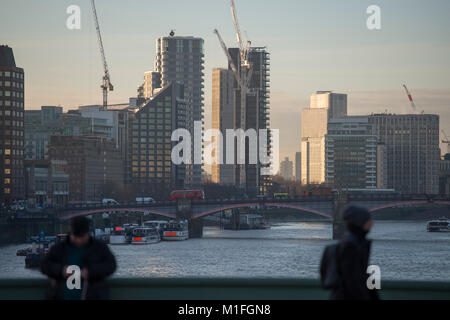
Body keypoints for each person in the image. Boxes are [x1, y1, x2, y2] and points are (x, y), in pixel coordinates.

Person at [41, 216, 117, 300]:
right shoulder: (59, 248)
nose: (79, 240)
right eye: (76, 236)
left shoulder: (99, 248)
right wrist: (61, 270)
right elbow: (44, 265)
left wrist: (90, 272)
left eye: (82, 236)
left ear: (87, 233)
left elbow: (111, 265)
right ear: (71, 233)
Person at [321, 205, 379, 300]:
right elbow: (353, 281)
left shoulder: (356, 244)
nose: (372, 223)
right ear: (361, 223)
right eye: (368, 220)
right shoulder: (350, 248)